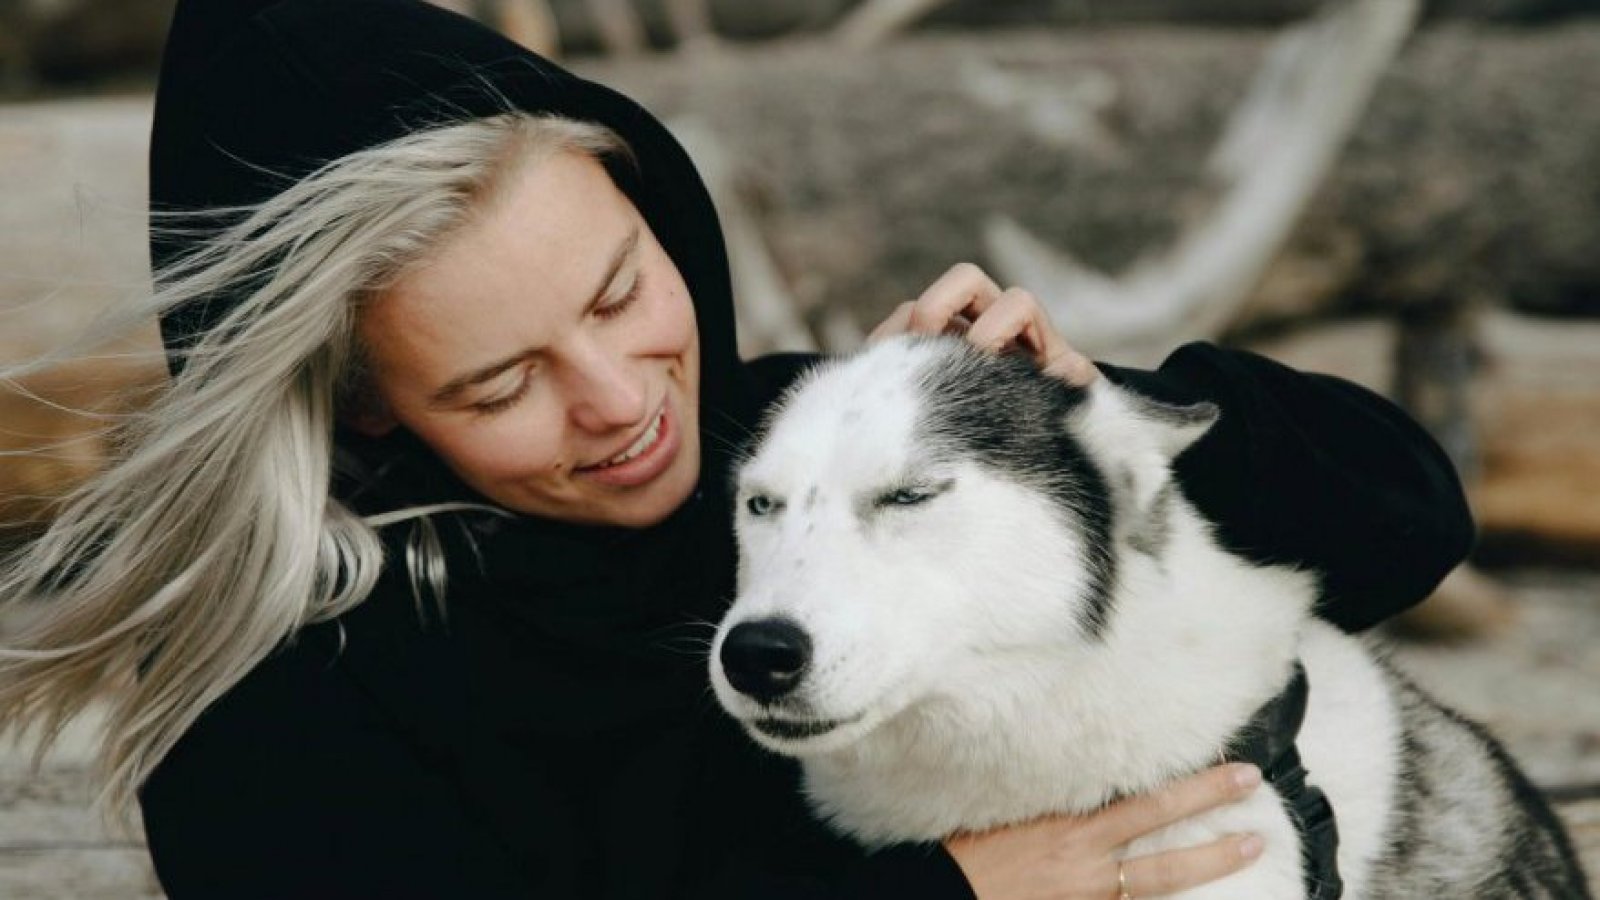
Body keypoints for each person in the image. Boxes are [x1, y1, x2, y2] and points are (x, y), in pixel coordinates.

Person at [0, 0, 1474, 897]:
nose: (620, 400)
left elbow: (1404, 522)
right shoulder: (282, 703)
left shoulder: (789, 438)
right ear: (364, 407)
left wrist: (1084, 415)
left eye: (620, 289)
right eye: (506, 379)